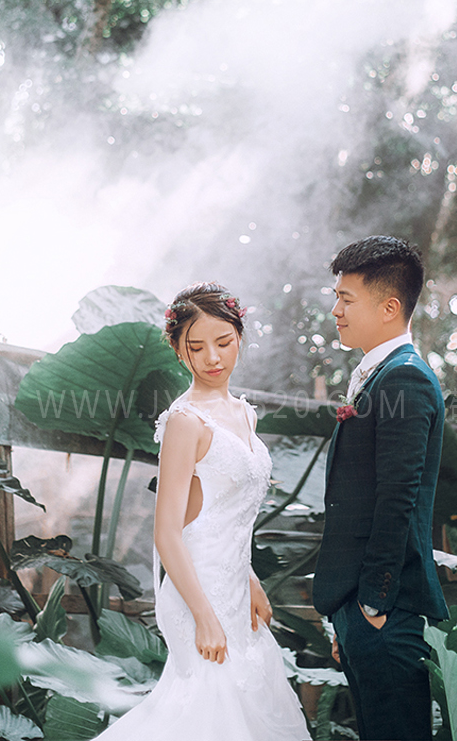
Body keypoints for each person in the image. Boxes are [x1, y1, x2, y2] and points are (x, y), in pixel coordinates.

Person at [92, 282, 310, 741]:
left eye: (224, 342)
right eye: (196, 347)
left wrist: (250, 578)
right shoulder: (184, 422)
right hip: (197, 591)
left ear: (240, 338)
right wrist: (204, 616)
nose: (213, 357)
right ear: (178, 350)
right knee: (207, 712)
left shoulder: (245, 414)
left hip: (235, 585)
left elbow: (225, 512)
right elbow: (168, 533)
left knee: (248, 708)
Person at [313, 236, 448, 741]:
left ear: (389, 307)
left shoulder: (405, 380)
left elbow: (398, 498)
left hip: (387, 613)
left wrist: (373, 604)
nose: (336, 311)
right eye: (337, 298)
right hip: (362, 612)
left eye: (346, 299)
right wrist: (347, 614)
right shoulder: (379, 374)